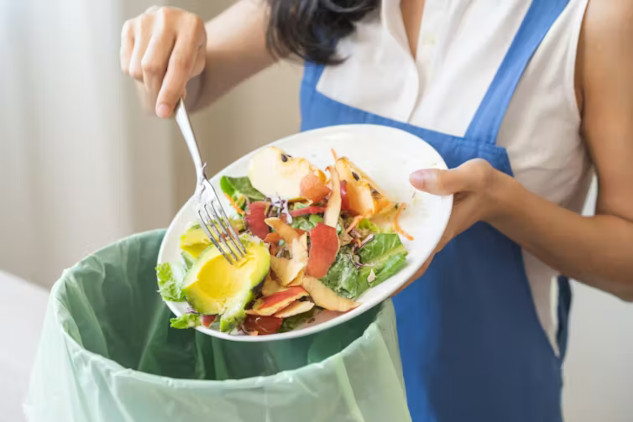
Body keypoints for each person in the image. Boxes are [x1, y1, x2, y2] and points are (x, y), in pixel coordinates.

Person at [120, 1, 633, 420]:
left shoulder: (598, 16)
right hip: (315, 391)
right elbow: (184, 88)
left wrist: (505, 204)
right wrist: (169, 46)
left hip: (481, 394)